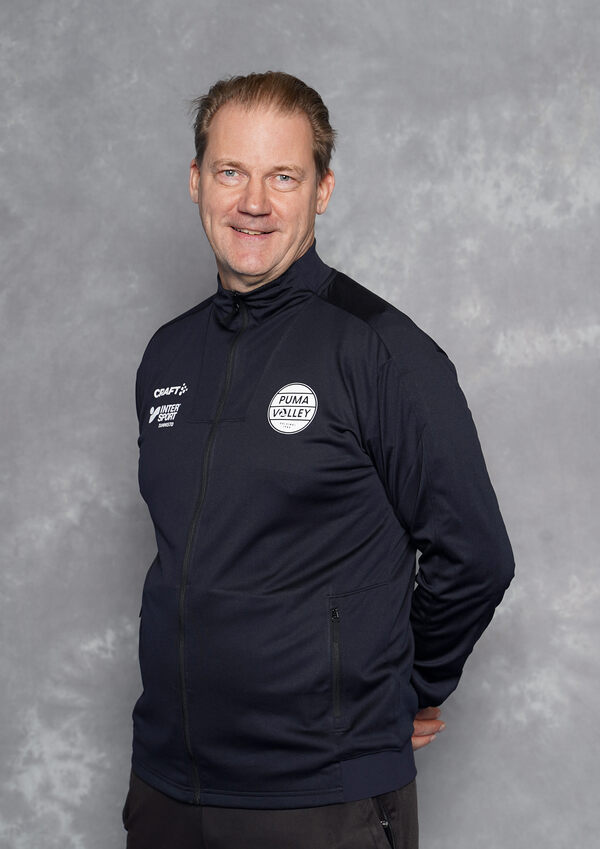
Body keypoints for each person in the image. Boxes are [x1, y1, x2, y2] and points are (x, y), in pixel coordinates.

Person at [122, 71, 514, 849]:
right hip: (168, 789)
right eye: (231, 171)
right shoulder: (167, 354)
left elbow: (476, 553)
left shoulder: (382, 351)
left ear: (323, 190)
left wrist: (406, 687)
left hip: (320, 798)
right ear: (196, 180)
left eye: (283, 176)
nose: (253, 202)